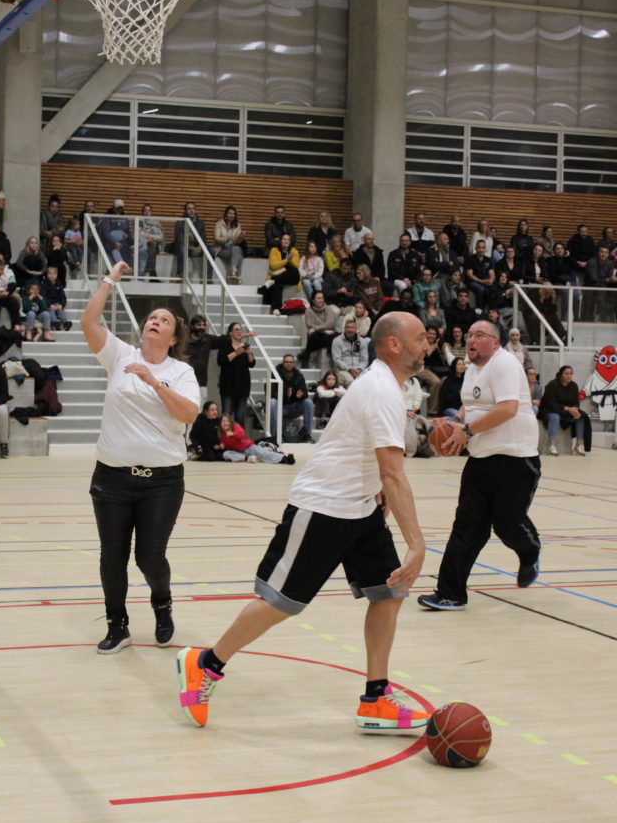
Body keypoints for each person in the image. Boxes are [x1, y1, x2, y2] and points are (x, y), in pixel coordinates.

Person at [176, 312, 431, 732]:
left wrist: (375, 487)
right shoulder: (381, 389)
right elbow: (393, 472)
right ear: (394, 345)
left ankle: (376, 698)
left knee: (389, 592)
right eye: (421, 338)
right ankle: (206, 663)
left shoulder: (389, 386)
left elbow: (374, 461)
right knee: (280, 603)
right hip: (324, 507)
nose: (428, 345)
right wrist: (417, 545)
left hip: (362, 509)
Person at [81, 262, 200, 654]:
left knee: (150, 558)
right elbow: (88, 322)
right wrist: (109, 281)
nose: (155, 321)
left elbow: (188, 413)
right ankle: (117, 625)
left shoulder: (181, 372)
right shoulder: (120, 355)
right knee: (112, 557)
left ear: (173, 336)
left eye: (164, 320)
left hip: (162, 483)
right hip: (112, 478)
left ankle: (162, 605)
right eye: (152, 318)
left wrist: (153, 382)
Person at [418, 320, 541, 612]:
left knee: (507, 524)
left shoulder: (505, 364)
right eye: (469, 334)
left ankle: (530, 551)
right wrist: (454, 423)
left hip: (514, 458)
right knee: (467, 527)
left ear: (495, 342)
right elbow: (470, 405)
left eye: (479, 335)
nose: (471, 339)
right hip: (480, 458)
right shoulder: (472, 369)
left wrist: (467, 431)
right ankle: (450, 594)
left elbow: (507, 408)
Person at [540, 365, 586, 456]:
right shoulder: (552, 385)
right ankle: (552, 445)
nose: (569, 376)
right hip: (549, 409)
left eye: (571, 374)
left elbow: (576, 402)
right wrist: (568, 409)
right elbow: (552, 404)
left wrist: (575, 409)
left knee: (580, 416)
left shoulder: (574, 385)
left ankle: (579, 444)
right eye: (566, 374)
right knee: (555, 417)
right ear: (561, 375)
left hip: (566, 410)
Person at [217, 321, 256, 426]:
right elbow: (221, 361)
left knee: (240, 416)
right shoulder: (225, 345)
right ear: (230, 332)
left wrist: (249, 354)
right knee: (227, 415)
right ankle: (225, 435)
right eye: (236, 330)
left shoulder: (245, 346)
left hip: (243, 386)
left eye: (240, 330)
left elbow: (252, 364)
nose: (239, 332)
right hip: (227, 385)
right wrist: (236, 353)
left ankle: (239, 436)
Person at [270, 353, 314, 441]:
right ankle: (275, 436)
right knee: (272, 402)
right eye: (286, 362)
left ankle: (307, 435)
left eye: (291, 362)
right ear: (282, 363)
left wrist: (300, 396)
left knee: (308, 402)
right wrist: (286, 395)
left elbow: (305, 393)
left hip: (294, 407)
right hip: (281, 407)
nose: (289, 364)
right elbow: (271, 393)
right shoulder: (275, 374)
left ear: (294, 364)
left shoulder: (298, 375)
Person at [219, 413, 295, 464]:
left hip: (248, 448)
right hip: (240, 453)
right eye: (223, 421)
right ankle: (247, 458)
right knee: (225, 454)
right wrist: (222, 445)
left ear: (230, 422)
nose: (226, 423)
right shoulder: (221, 435)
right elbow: (227, 445)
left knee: (263, 453)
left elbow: (242, 434)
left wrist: (233, 434)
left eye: (227, 421)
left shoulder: (235, 427)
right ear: (220, 424)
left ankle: (283, 458)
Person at [186, 315, 225, 405]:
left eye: (204, 325)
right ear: (192, 326)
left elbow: (224, 340)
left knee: (200, 408)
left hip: (201, 383)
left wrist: (242, 336)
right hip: (186, 381)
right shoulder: (183, 341)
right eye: (199, 325)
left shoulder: (208, 340)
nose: (202, 327)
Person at [260, 233, 299, 312]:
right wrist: (286, 260)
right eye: (284, 239)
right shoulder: (274, 250)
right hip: (276, 274)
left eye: (288, 239)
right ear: (280, 241)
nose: (286, 241)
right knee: (278, 284)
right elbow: (273, 265)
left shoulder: (294, 251)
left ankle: (274, 281)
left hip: (288, 277)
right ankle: (276, 308)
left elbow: (296, 266)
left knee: (294, 271)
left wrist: (290, 260)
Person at [331, 317, 371, 387]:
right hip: (342, 370)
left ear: (356, 329)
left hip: (359, 369)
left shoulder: (362, 341)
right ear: (344, 329)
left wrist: (359, 369)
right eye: (347, 327)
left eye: (352, 327)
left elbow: (365, 359)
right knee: (351, 382)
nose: (349, 329)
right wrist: (349, 369)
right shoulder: (337, 341)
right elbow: (336, 359)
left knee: (368, 380)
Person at [213, 205, 245, 282]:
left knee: (236, 249)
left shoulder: (237, 225)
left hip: (232, 249)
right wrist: (227, 239)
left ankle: (233, 271)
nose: (232, 215)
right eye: (230, 213)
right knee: (239, 255)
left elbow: (237, 242)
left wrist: (240, 237)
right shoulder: (219, 224)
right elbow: (217, 238)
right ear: (226, 214)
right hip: (221, 249)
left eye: (233, 214)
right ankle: (237, 276)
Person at [41, 265, 71, 331]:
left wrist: (61, 305)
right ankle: (54, 322)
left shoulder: (59, 284)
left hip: (57, 303)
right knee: (50, 310)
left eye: (54, 273)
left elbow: (63, 296)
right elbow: (43, 297)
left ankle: (65, 322)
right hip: (49, 304)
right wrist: (49, 305)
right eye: (50, 273)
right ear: (47, 275)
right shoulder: (44, 284)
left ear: (56, 276)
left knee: (61, 310)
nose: (52, 275)